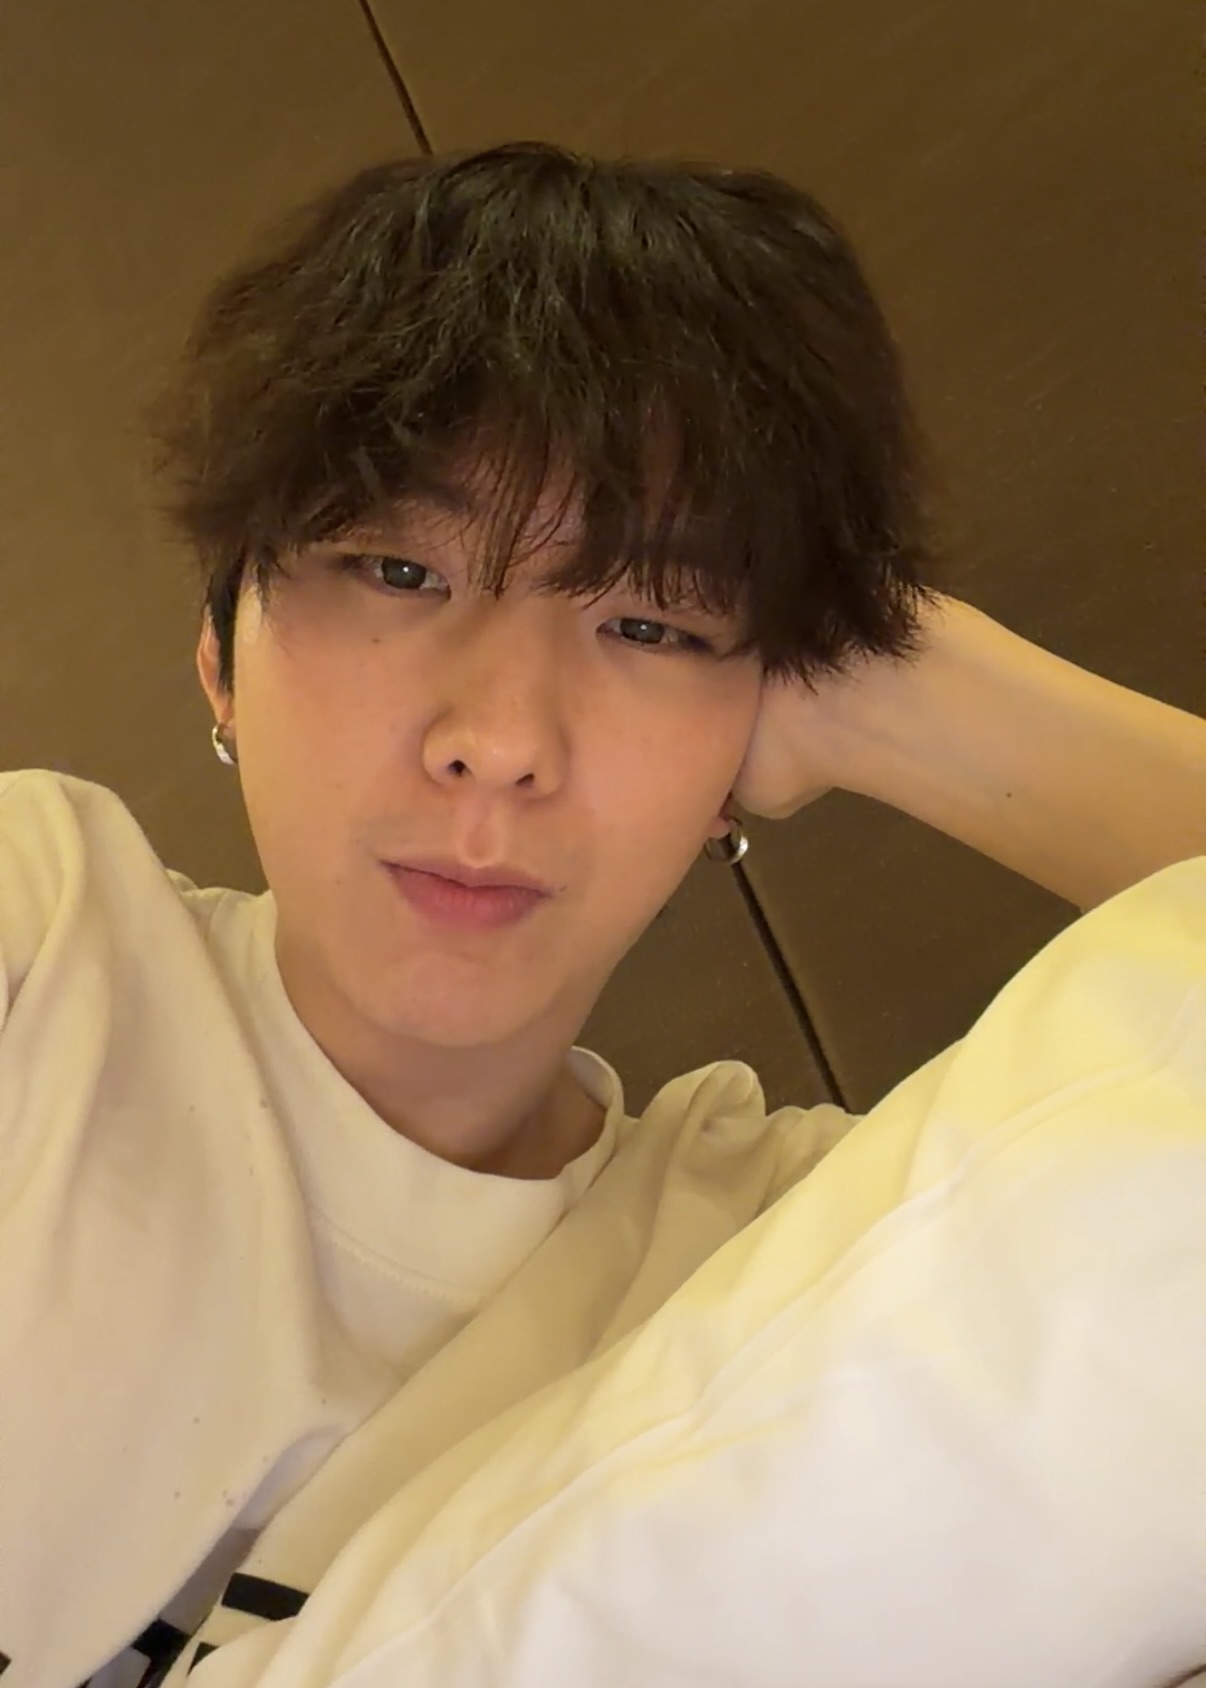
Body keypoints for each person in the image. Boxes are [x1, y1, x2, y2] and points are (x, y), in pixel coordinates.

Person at [0, 142, 1202, 1688]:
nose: (502, 737)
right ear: (221, 657)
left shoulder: (788, 1251)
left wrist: (898, 685)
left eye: (651, 621)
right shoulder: (47, 940)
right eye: (396, 567)